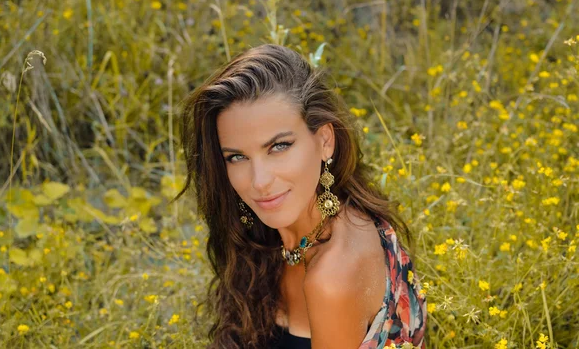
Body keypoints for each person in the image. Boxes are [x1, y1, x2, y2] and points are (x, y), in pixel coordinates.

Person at [174, 44, 427, 348]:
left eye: (279, 147)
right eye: (237, 157)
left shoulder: (331, 279)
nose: (260, 182)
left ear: (325, 141)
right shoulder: (311, 222)